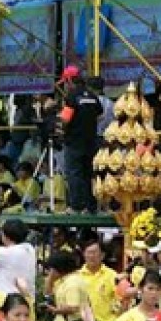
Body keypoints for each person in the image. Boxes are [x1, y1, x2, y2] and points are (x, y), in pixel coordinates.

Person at [59, 67, 104, 212]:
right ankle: (90, 206)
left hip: (74, 142)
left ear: (69, 80)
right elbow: (99, 114)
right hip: (91, 142)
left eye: (65, 82)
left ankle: (76, 206)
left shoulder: (72, 97)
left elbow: (65, 119)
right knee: (88, 174)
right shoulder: (92, 96)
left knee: (74, 173)